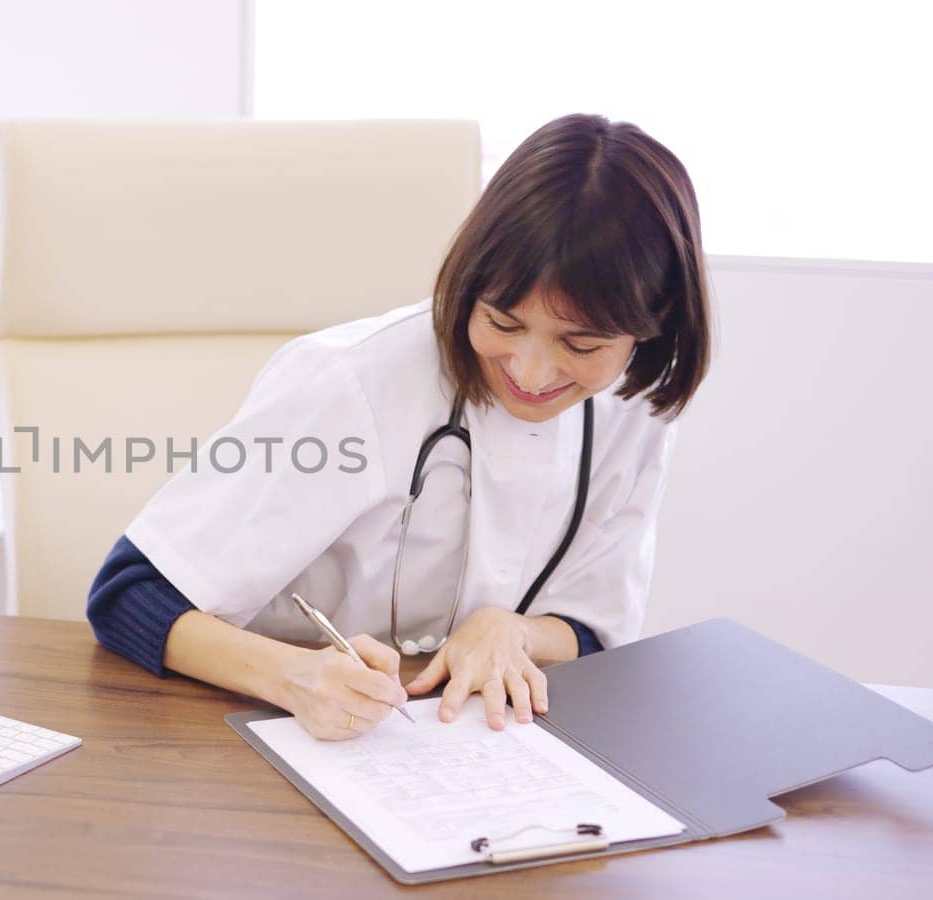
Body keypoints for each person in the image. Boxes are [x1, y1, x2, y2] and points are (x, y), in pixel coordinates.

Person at [86, 113, 710, 740]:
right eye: (502, 322)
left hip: (462, 751)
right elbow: (127, 595)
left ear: (652, 327)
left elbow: (595, 632)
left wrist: (510, 629)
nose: (531, 369)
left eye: (581, 343)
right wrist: (293, 677)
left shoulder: (637, 405)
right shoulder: (353, 382)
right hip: (258, 733)